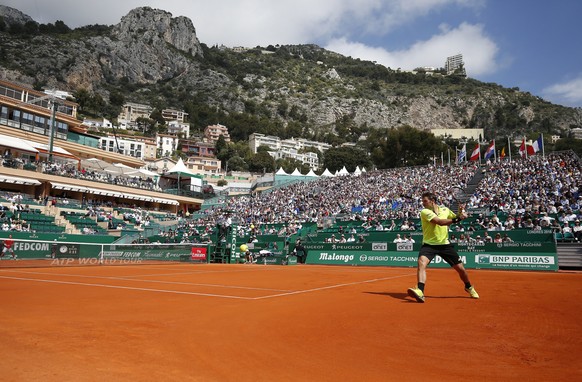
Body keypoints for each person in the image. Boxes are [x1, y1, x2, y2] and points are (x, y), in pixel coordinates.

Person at [407, 191, 479, 303]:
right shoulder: (425, 212)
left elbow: (454, 218)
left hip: (445, 245)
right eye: (422, 201)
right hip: (429, 244)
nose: (423, 203)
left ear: (432, 201)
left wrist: (461, 211)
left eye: (425, 201)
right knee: (421, 263)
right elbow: (440, 222)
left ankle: (469, 287)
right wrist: (459, 218)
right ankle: (420, 291)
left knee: (461, 270)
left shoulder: (445, 209)